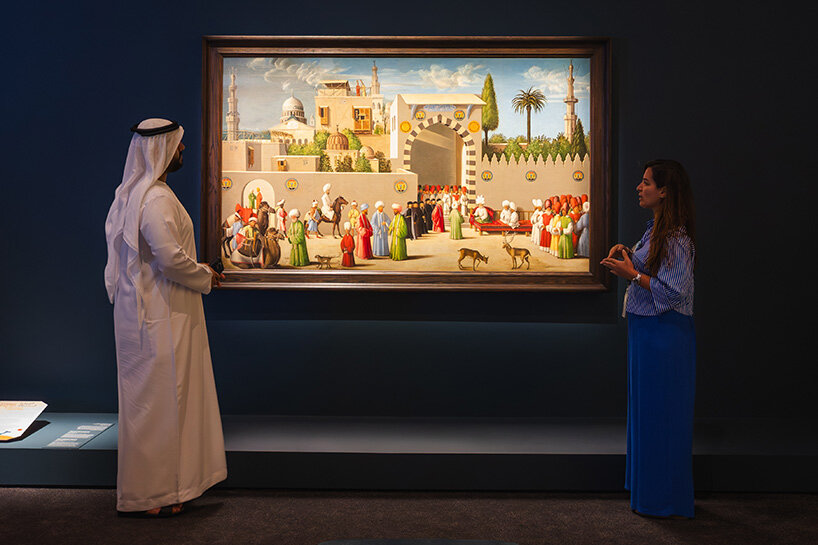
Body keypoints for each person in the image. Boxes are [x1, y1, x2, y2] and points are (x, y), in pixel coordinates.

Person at [104, 118, 226, 517]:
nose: (183, 149)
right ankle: (154, 494)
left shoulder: (136, 193)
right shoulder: (154, 198)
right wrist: (204, 274)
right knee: (161, 403)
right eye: (178, 144)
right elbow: (170, 259)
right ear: (160, 149)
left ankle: (164, 491)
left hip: (149, 312)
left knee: (154, 404)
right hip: (161, 312)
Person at [600, 159, 697, 519]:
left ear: (665, 191)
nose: (639, 188)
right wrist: (628, 257)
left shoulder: (676, 239)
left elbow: (675, 292)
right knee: (647, 413)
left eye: (646, 183)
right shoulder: (655, 230)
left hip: (664, 334)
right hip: (646, 331)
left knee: (661, 416)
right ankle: (651, 495)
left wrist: (631, 274)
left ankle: (663, 500)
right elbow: (652, 271)